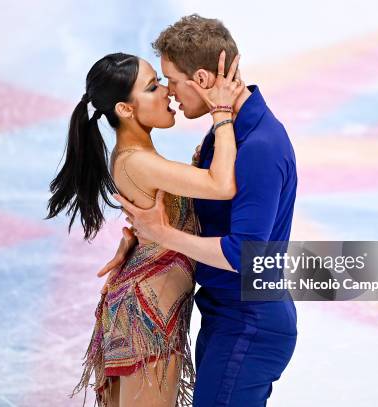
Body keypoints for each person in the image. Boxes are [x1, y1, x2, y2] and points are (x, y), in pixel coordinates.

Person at [102, 15, 298, 407]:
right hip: (224, 313)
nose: (170, 93)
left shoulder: (257, 145)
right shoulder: (226, 130)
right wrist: (142, 245)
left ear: (204, 80)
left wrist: (162, 235)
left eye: (171, 81)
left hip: (250, 322)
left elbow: (243, 255)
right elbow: (203, 207)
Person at [45, 51, 244, 407]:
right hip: (147, 318)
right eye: (153, 87)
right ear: (125, 109)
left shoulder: (138, 156)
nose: (167, 91)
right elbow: (221, 185)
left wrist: (136, 242)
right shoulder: (138, 161)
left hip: (147, 305)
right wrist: (222, 112)